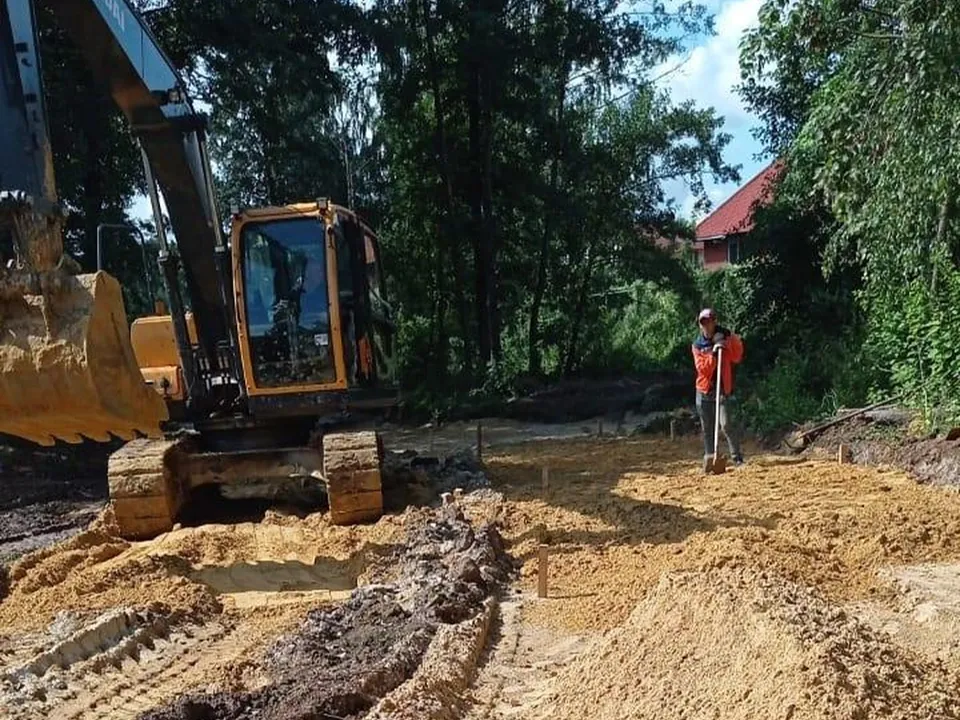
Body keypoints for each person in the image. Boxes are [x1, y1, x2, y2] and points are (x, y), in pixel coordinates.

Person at [692, 308, 745, 471]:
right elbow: (703, 369)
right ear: (700, 325)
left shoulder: (725, 339)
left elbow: (737, 356)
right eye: (703, 323)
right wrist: (714, 354)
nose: (707, 326)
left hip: (722, 389)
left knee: (727, 424)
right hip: (704, 390)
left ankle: (737, 458)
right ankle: (710, 457)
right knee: (707, 427)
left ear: (714, 322)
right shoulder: (697, 346)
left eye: (709, 322)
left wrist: (730, 338)